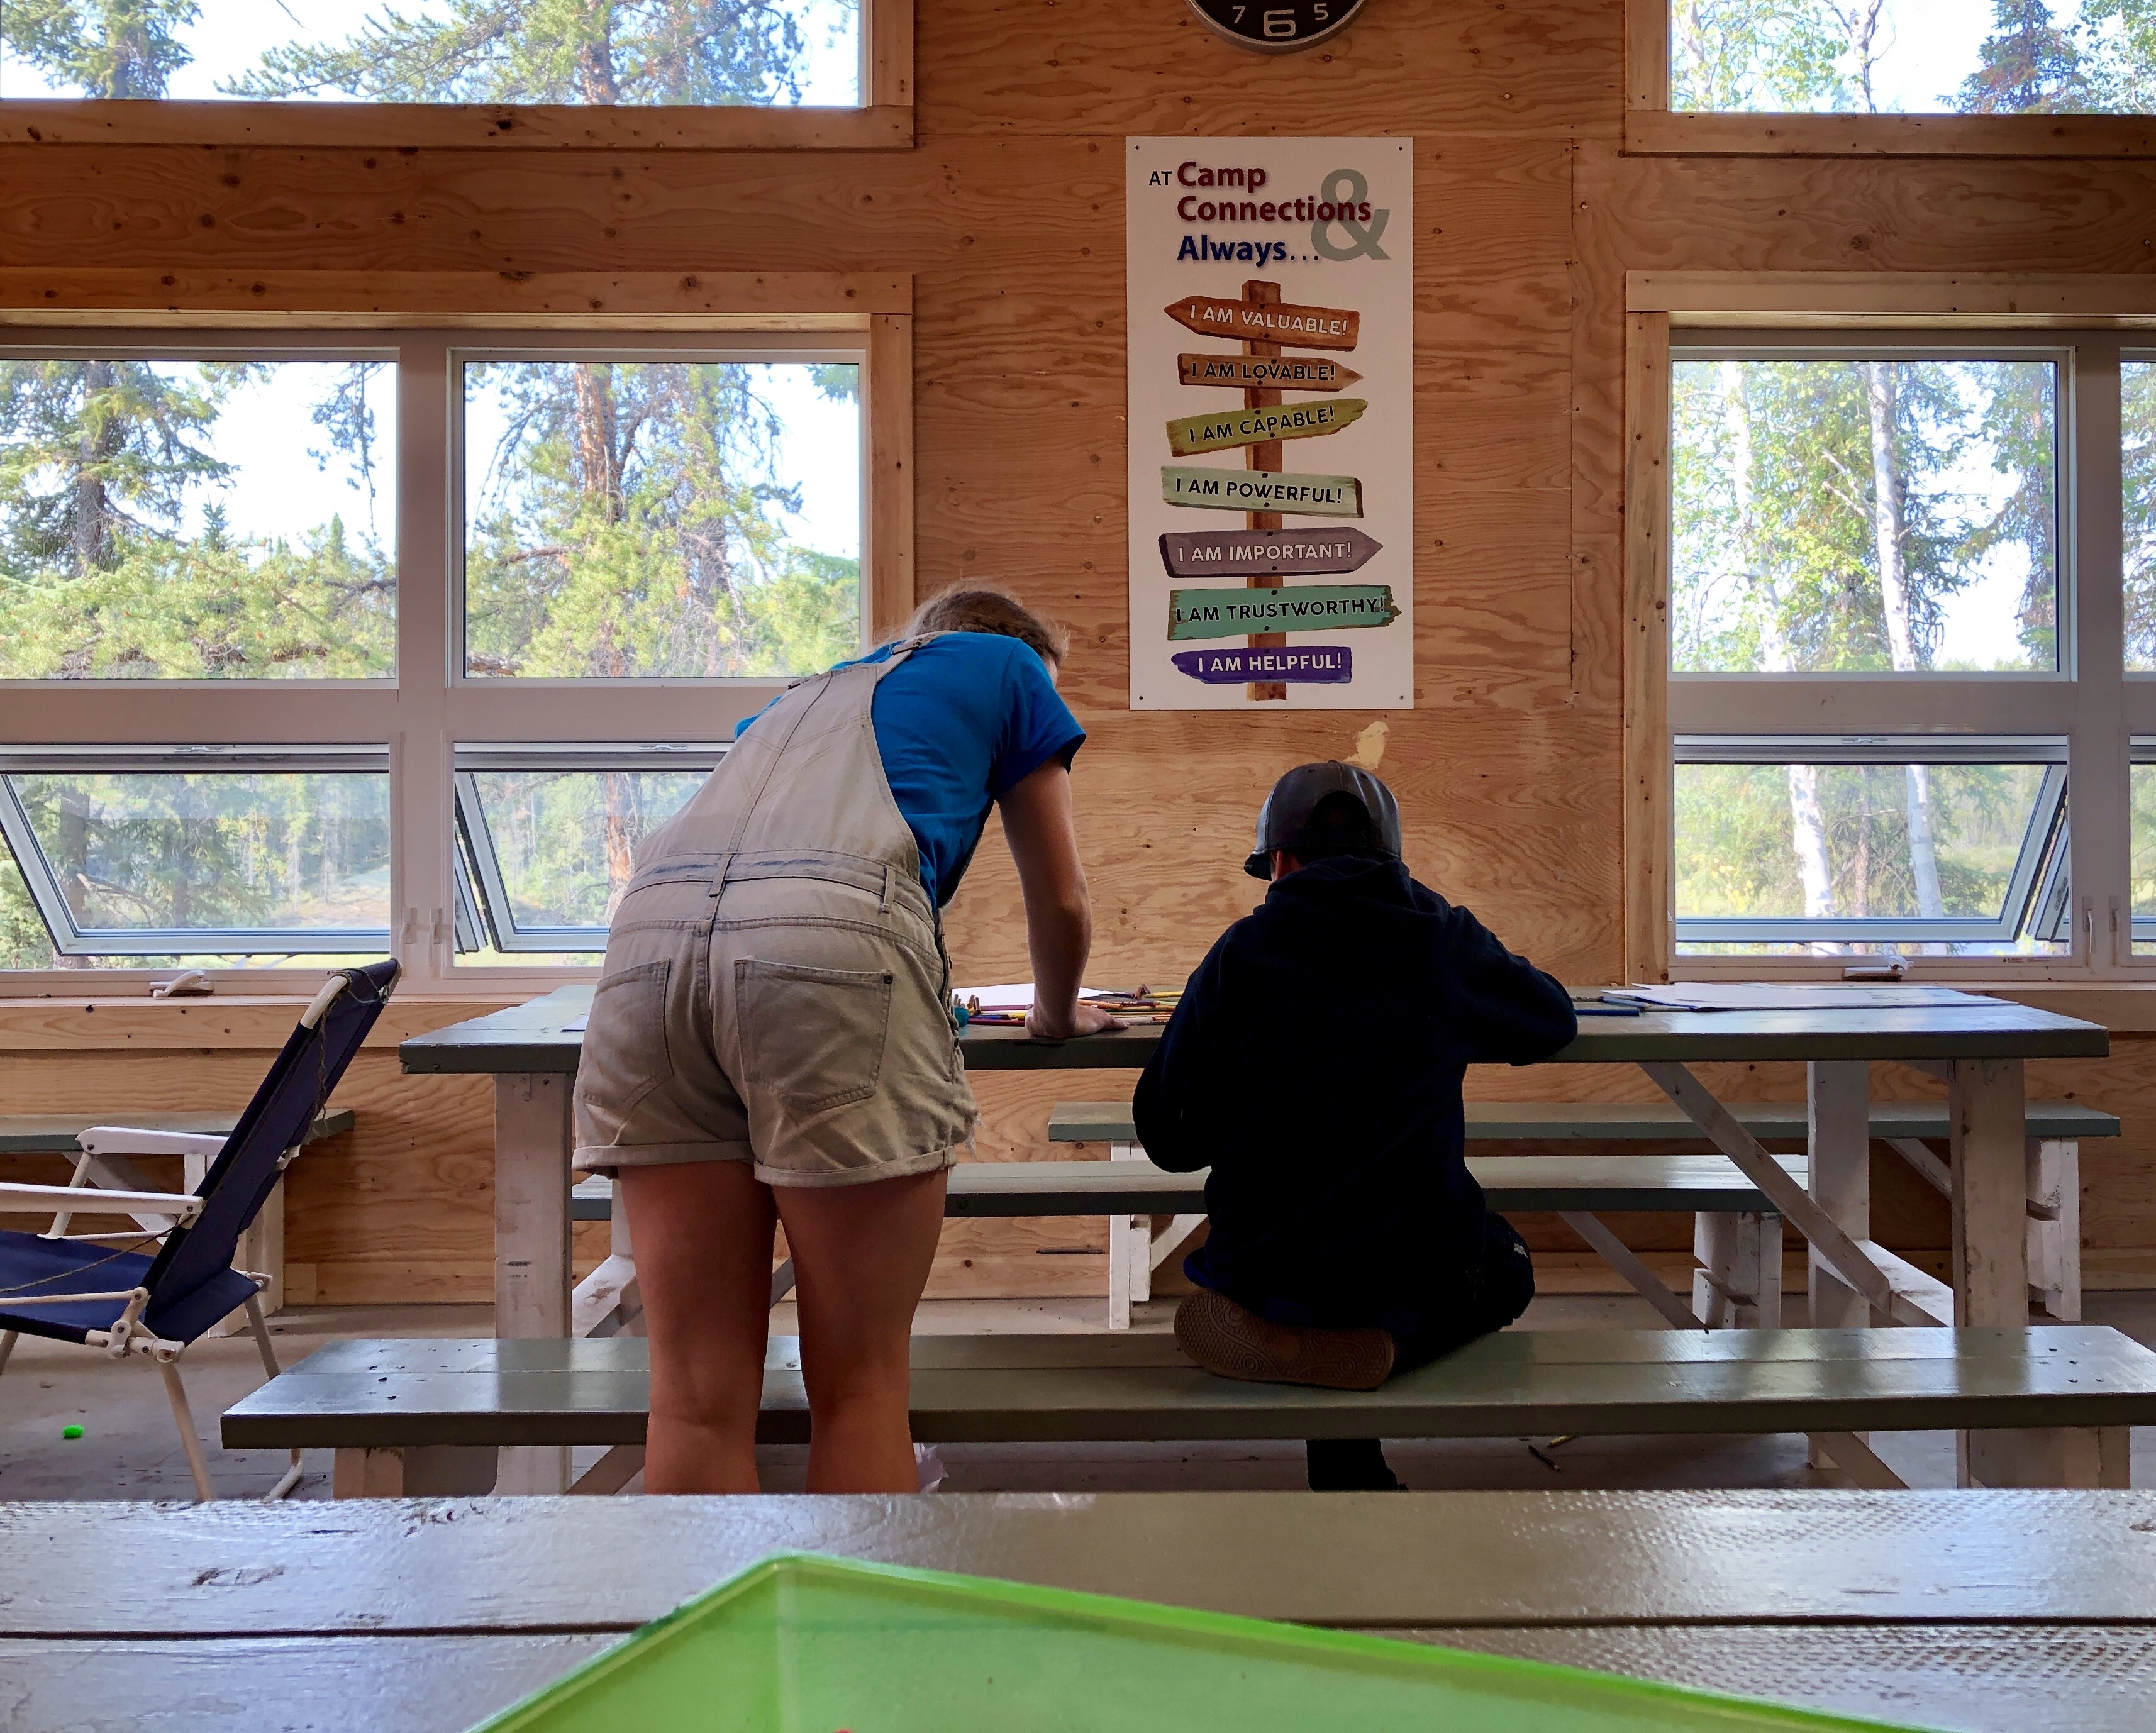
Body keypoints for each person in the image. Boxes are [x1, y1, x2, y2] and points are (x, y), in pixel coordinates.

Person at [571, 582, 1122, 1495]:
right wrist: (1056, 1013)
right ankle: (849, 1637)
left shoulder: (804, 695)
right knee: (861, 1389)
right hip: (826, 950)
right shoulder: (1012, 665)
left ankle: (703, 1635)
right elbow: (1061, 899)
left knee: (693, 1402)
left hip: (642, 956)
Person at [1130, 761, 1578, 1491]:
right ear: (1393, 856)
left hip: (1267, 1271)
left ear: (1277, 861)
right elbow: (1550, 1018)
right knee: (1508, 1267)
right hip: (1410, 1263)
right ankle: (1386, 1348)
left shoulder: (1241, 955)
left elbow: (1169, 1140)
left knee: (1322, 1253)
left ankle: (1321, 1365)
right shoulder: (1440, 940)